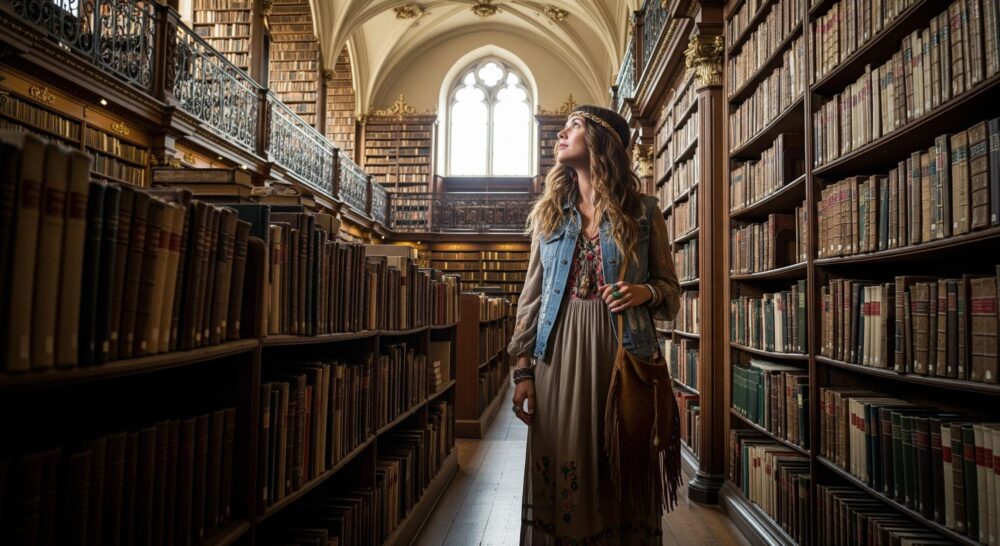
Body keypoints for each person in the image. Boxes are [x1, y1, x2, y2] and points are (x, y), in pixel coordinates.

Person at [507, 105, 681, 545]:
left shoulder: (644, 212)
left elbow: (671, 293)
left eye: (574, 126)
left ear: (602, 140)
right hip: (558, 355)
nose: (560, 134)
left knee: (622, 457)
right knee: (564, 451)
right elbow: (530, 300)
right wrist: (523, 372)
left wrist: (645, 292)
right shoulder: (549, 215)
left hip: (623, 351)